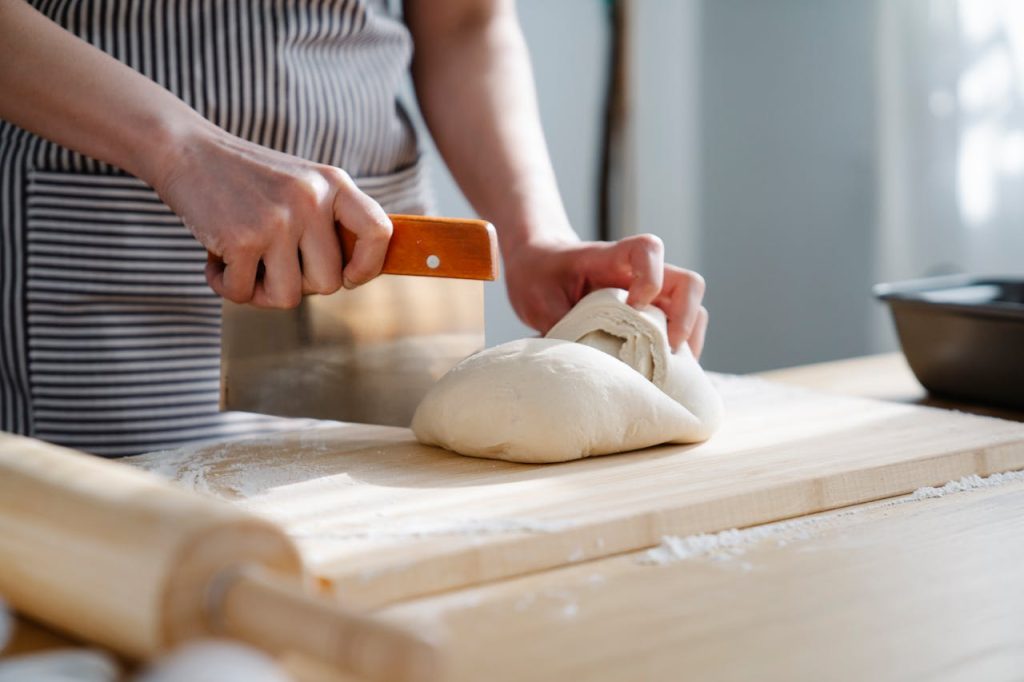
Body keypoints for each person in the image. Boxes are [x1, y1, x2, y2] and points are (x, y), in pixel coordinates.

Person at [0, 0, 708, 456]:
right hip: (108, 228)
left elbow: (465, 21)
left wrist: (533, 237)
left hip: (378, 250)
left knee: (375, 542)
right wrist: (180, 151)